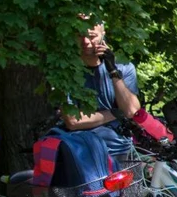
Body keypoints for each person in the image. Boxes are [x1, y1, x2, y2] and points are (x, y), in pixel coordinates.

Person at [62, 17, 161, 157]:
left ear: (103, 34)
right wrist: (115, 113)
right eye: (80, 35)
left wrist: (113, 71)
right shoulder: (65, 70)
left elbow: (132, 111)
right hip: (82, 152)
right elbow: (73, 121)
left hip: (121, 151)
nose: (85, 42)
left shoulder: (124, 66)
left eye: (92, 36)